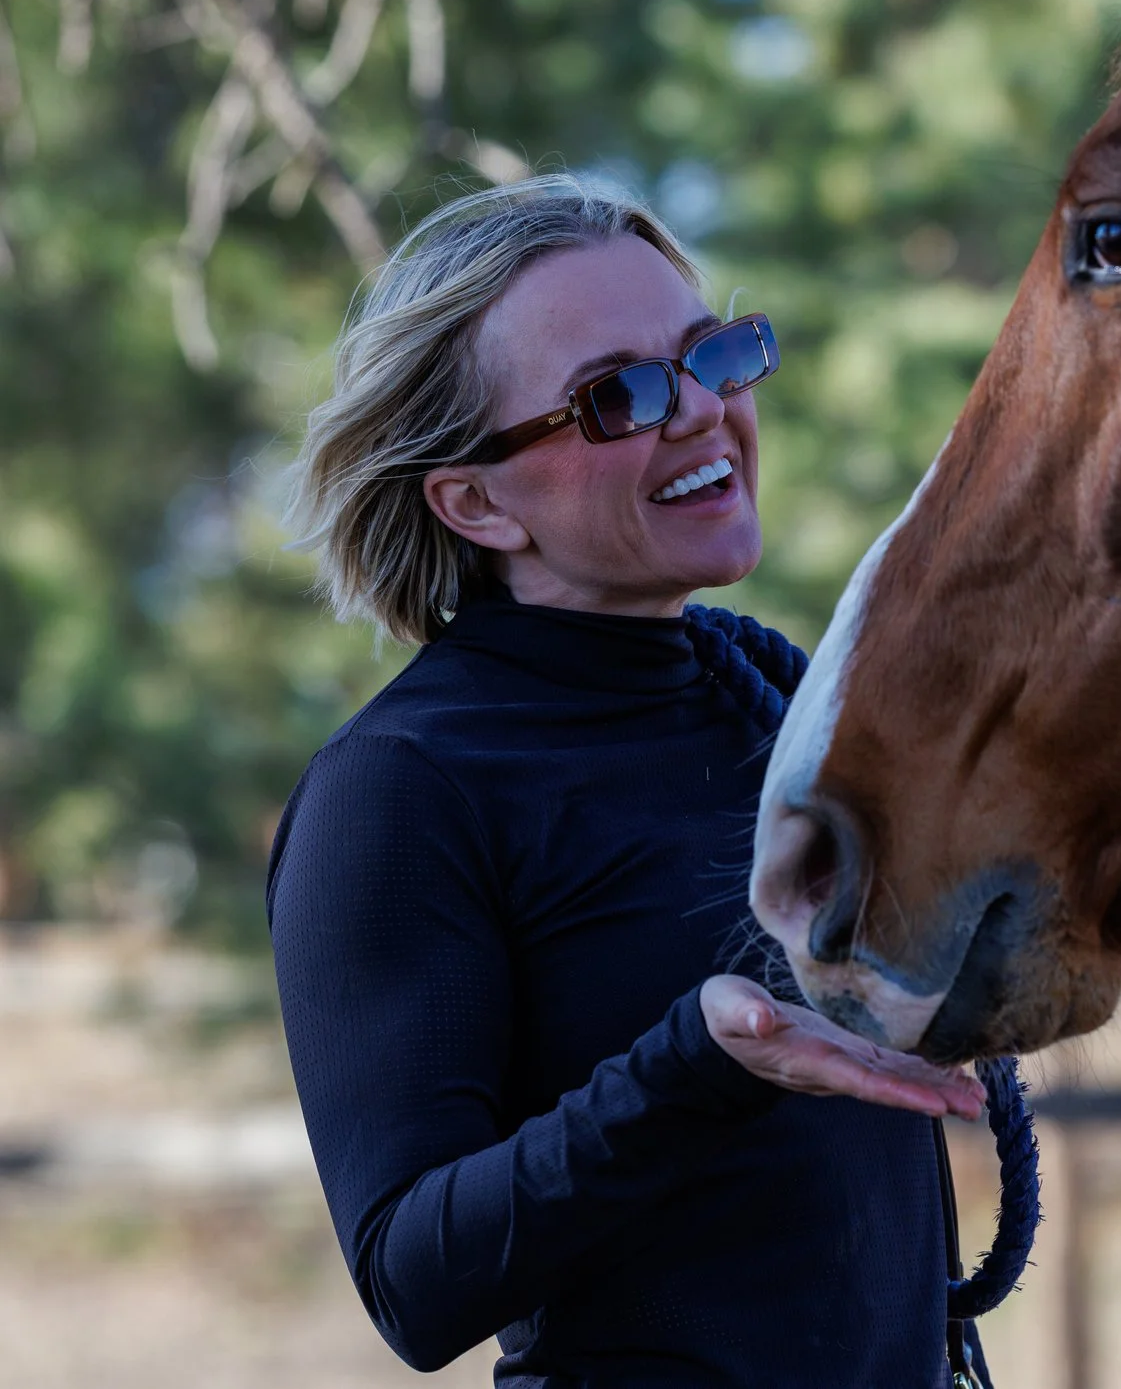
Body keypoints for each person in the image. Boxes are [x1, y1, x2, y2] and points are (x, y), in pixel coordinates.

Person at [271, 176, 986, 1387]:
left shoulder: (771, 694)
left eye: (712, 353)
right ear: (475, 501)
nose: (704, 410)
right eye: (621, 396)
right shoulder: (398, 788)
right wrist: (694, 1068)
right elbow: (411, 1279)